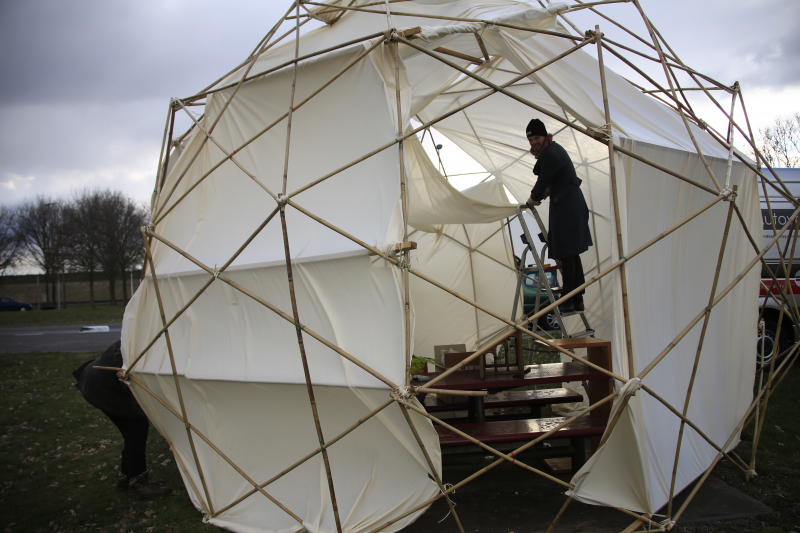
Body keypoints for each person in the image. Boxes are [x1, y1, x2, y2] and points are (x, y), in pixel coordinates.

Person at [73, 340, 171, 499]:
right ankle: (137, 483)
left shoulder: (145, 333)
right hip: (103, 386)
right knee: (136, 429)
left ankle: (126, 476)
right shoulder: (144, 338)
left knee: (133, 430)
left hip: (97, 381)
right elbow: (124, 364)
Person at [525, 118, 593, 313]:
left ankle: (569, 298)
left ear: (545, 136)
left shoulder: (550, 155)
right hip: (568, 203)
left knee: (566, 253)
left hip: (567, 206)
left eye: (536, 138)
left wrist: (532, 199)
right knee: (571, 254)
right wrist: (546, 192)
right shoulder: (553, 150)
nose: (533, 143)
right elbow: (553, 178)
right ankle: (576, 298)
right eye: (530, 140)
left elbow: (544, 179)